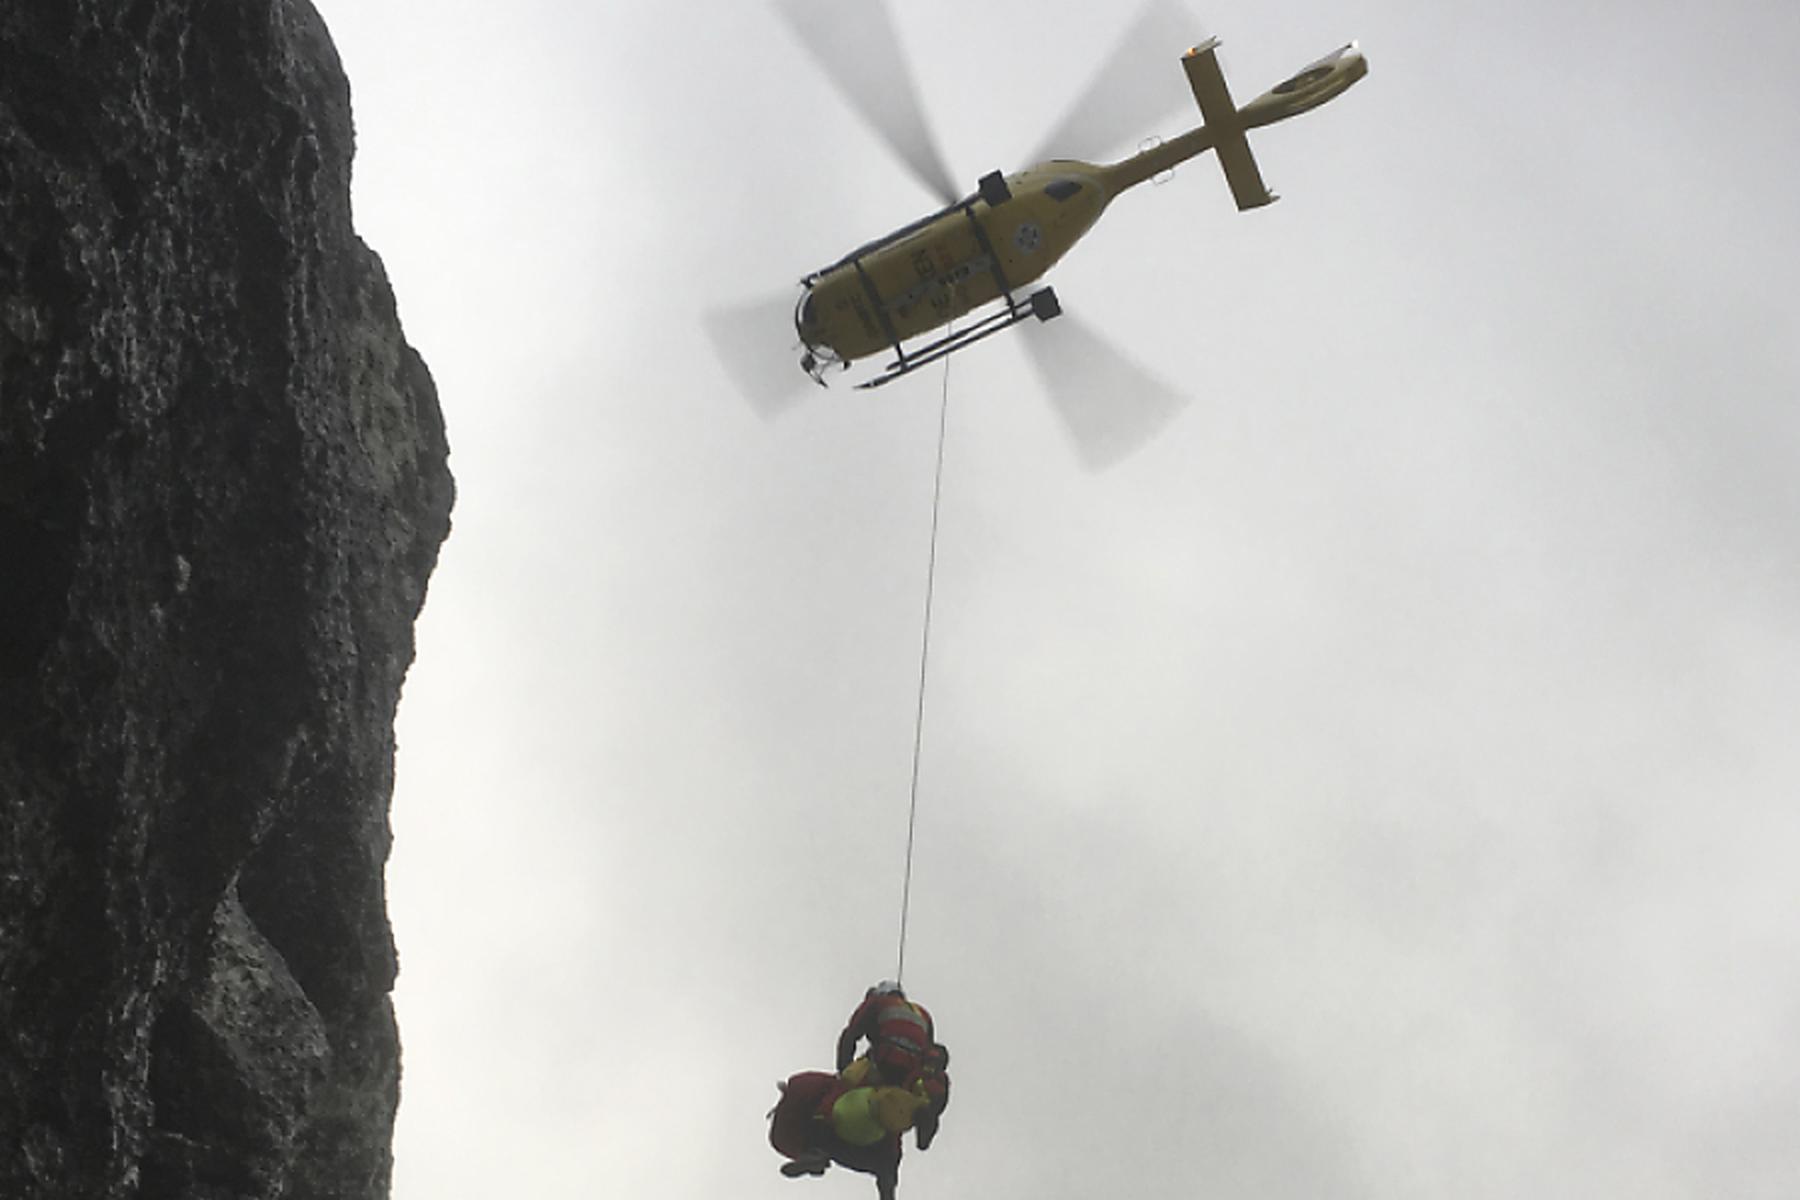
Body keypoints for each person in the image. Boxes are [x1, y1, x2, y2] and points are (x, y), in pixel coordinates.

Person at [836, 981, 938, 1085]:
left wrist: (844, 1071)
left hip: (885, 1062)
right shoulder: (924, 1013)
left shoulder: (877, 1002)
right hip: (913, 1074)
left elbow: (850, 1035)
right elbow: (929, 1048)